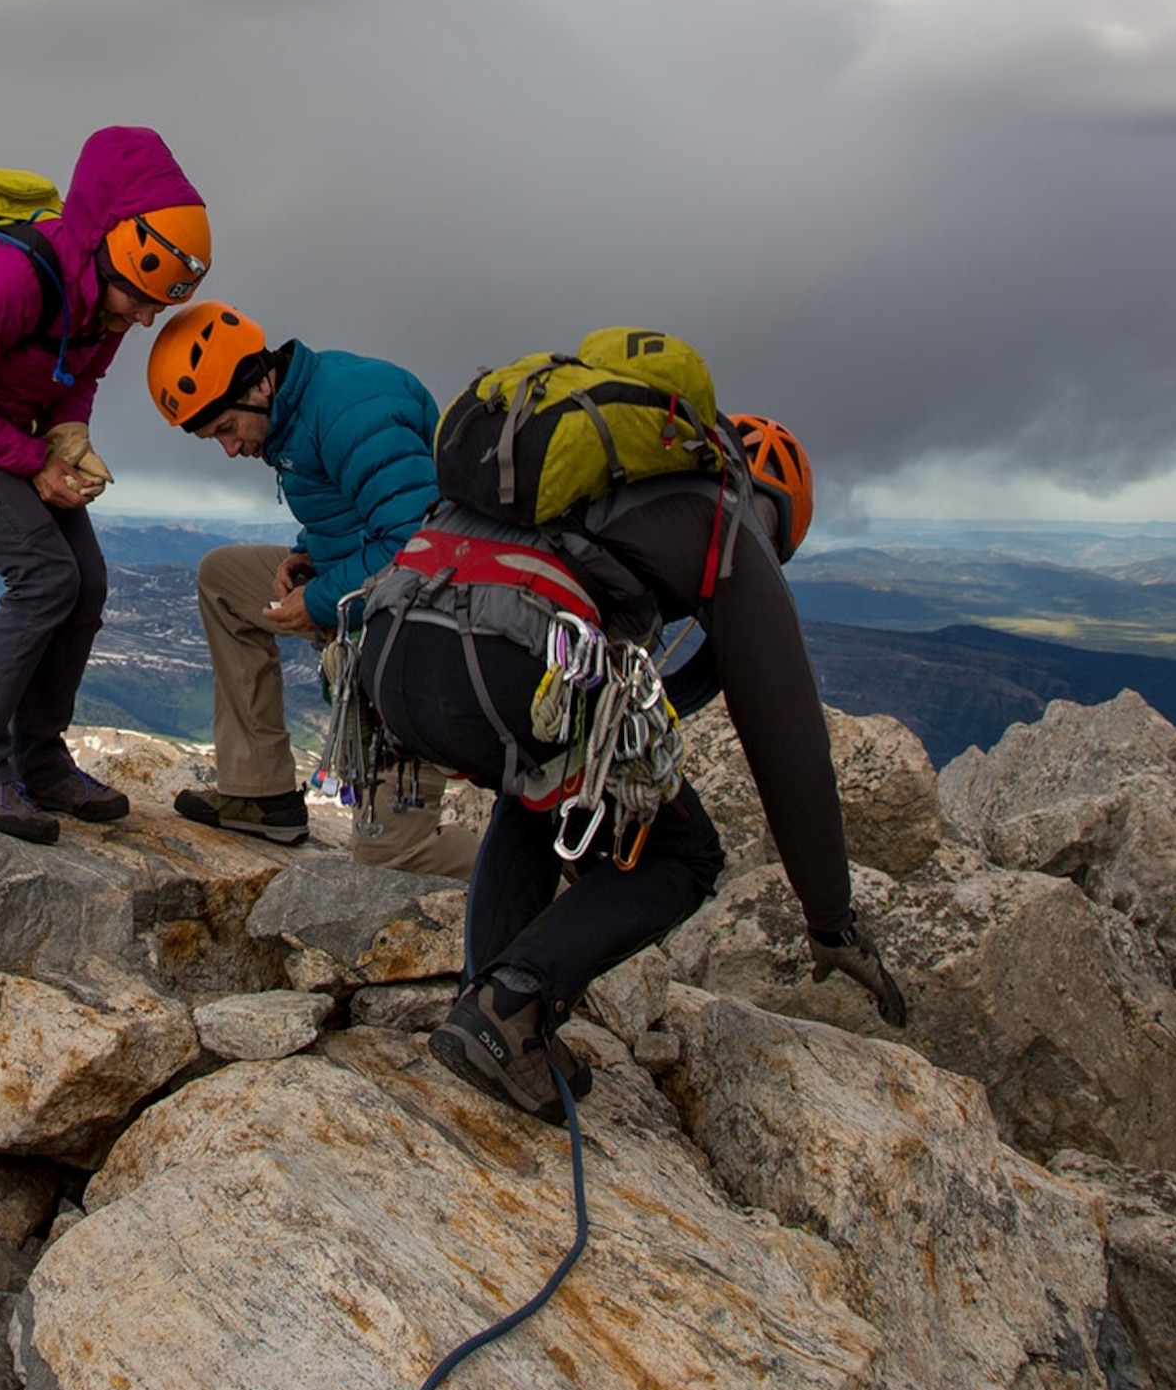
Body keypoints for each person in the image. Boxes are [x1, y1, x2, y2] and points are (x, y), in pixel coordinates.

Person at [353, 441, 909, 1120]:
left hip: (389, 645)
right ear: (780, 514)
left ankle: (486, 1010)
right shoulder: (729, 521)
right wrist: (831, 921)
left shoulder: (597, 476)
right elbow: (789, 736)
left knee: (543, 785)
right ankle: (512, 1007)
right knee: (683, 853)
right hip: (498, 657)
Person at [0, 125, 212, 844]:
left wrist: (67, 440)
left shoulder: (109, 297)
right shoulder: (15, 279)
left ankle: (37, 758)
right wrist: (34, 462)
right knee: (43, 576)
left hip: (1, 425)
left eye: (160, 302)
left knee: (86, 580)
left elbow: (80, 378)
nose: (148, 316)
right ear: (110, 249)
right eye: (142, 298)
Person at [148, 304, 480, 875]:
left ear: (256, 380)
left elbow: (418, 544)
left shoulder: (352, 408)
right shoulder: (292, 417)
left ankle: (550, 876)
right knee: (223, 578)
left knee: (391, 855)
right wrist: (305, 556)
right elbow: (351, 509)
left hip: (426, 626)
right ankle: (260, 792)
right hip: (370, 591)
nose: (228, 449)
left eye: (226, 428)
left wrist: (321, 600)